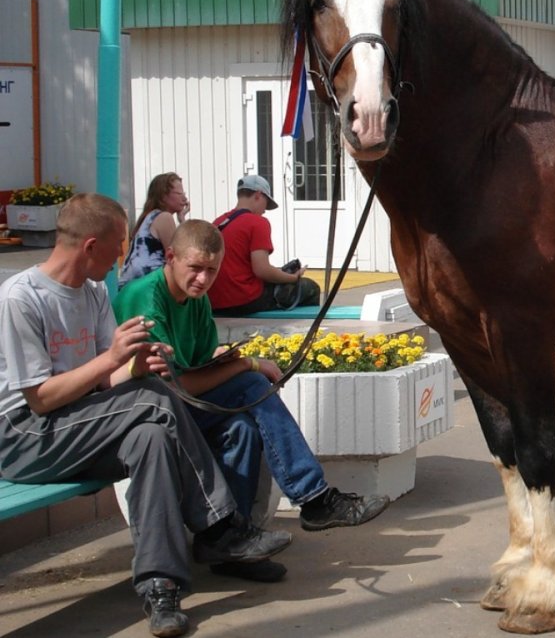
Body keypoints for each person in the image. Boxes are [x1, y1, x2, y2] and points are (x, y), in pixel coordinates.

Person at [0, 193, 292, 638]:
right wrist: (112, 361)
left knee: (151, 437)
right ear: (90, 245)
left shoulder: (94, 293)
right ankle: (223, 527)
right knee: (153, 401)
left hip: (77, 424)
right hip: (23, 434)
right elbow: (40, 399)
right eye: (119, 244)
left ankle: (161, 588)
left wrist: (135, 365)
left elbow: (105, 383)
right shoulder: (21, 299)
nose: (125, 255)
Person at [113, 219, 390, 538]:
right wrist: (246, 365)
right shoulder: (146, 299)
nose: (203, 279)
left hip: (179, 407)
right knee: (252, 384)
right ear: (171, 256)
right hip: (150, 414)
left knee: (241, 430)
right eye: (195, 267)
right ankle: (313, 498)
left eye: (212, 270)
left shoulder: (198, 299)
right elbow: (177, 389)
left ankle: (233, 539)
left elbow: (198, 368)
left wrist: (225, 360)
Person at [206, 174, 320, 316]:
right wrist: (293, 277)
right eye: (266, 204)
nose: (265, 210)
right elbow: (262, 270)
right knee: (311, 288)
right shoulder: (258, 223)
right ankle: (300, 330)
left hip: (215, 301)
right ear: (258, 196)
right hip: (244, 300)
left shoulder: (218, 222)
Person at [118, 172, 190, 289]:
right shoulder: (164, 217)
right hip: (145, 288)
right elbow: (180, 257)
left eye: (184, 193)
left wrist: (181, 218)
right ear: (163, 196)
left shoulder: (149, 217)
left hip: (131, 288)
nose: (185, 198)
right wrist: (182, 221)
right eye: (179, 193)